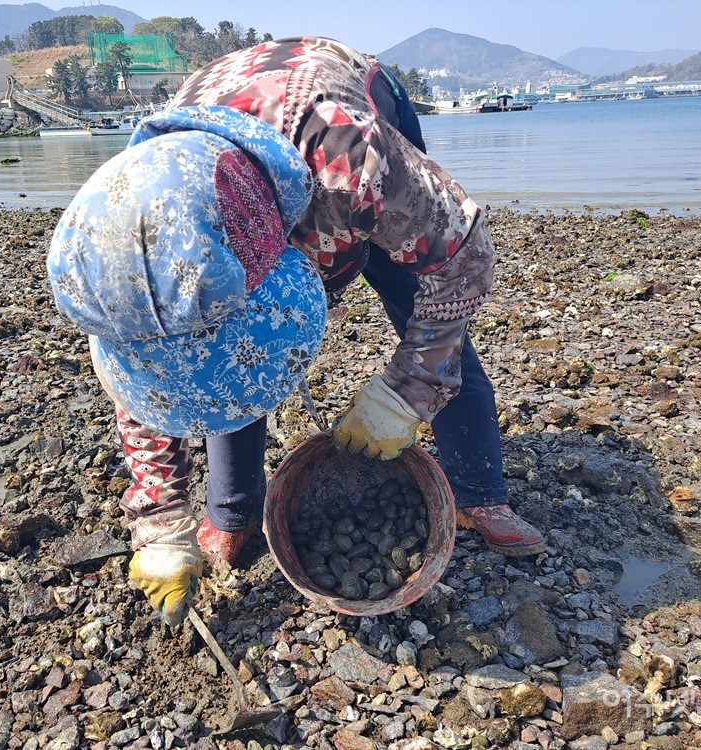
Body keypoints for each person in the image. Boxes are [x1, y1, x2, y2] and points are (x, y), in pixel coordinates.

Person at [47, 37, 545, 627]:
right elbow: (154, 379)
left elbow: (463, 259)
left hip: (344, 114)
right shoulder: (116, 255)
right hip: (229, 151)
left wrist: (408, 391)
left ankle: (479, 488)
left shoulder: (351, 161)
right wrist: (161, 519)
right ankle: (231, 515)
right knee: (218, 365)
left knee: (419, 295)